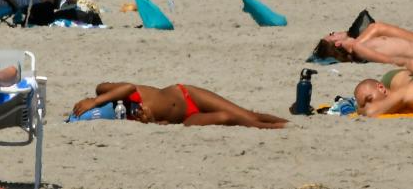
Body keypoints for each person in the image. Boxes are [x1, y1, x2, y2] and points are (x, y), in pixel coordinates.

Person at [71, 82, 287, 129]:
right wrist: (152, 121)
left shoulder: (104, 91)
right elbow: (163, 123)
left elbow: (128, 87)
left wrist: (96, 100)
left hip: (186, 95)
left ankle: (286, 123)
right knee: (226, 118)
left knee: (248, 113)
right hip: (185, 119)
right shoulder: (120, 116)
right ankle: (270, 128)